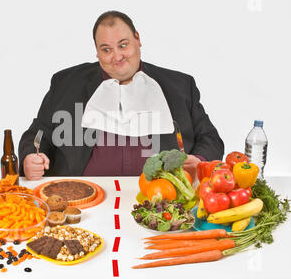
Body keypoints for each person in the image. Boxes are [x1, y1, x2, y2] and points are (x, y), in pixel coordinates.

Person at [19, 11, 224, 180]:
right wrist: (30, 157)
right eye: (106, 49)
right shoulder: (66, 83)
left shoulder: (179, 85)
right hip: (79, 201)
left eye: (123, 45)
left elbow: (210, 139)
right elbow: (37, 134)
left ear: (138, 39)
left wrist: (198, 160)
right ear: (97, 52)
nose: (117, 56)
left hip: (163, 200)